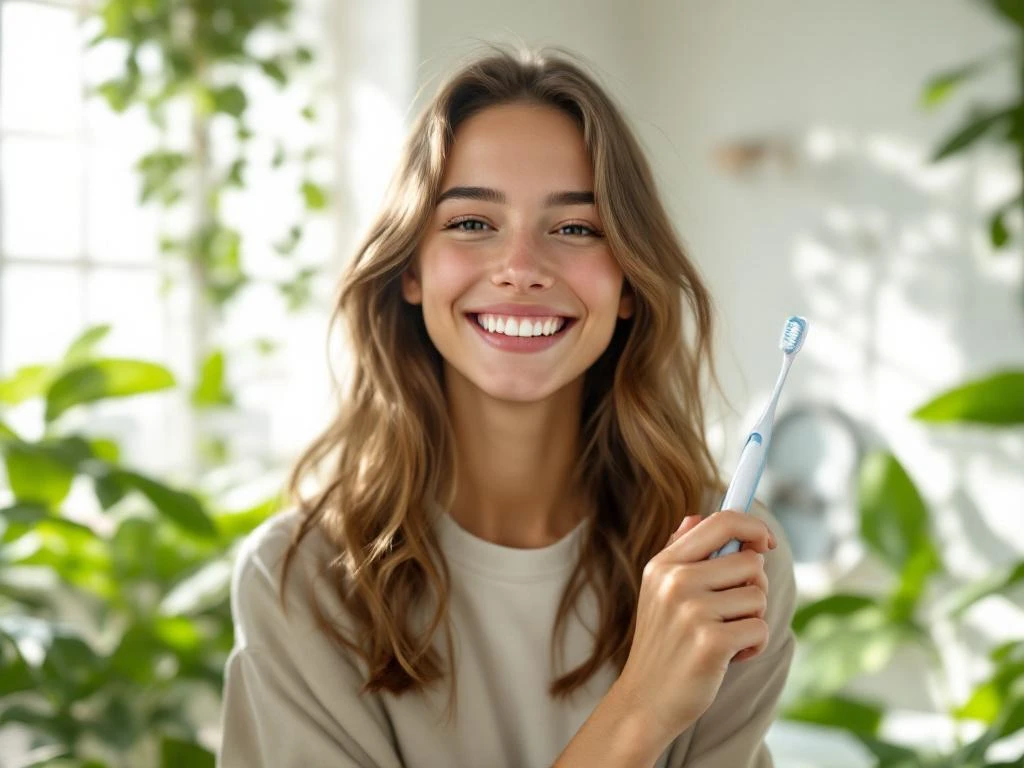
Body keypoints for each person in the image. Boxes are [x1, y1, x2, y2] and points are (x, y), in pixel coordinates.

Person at [218, 43, 795, 768]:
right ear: (410, 272)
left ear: (627, 283)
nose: (521, 268)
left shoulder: (730, 567)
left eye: (576, 228)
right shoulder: (300, 578)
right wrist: (642, 709)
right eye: (471, 223)